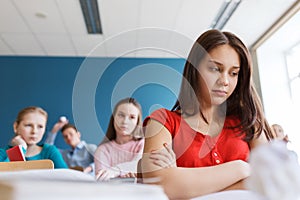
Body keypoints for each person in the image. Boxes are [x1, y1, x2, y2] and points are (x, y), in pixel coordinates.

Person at [140, 29, 274, 199]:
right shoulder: (163, 121)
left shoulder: (248, 121)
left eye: (233, 73)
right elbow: (159, 185)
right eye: (215, 69)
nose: (224, 81)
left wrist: (184, 186)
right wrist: (242, 168)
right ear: (194, 69)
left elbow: (271, 182)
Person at [94, 97, 144, 181]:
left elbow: (139, 165)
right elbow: (102, 178)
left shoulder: (143, 144)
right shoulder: (102, 150)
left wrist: (116, 170)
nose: (125, 121)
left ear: (137, 122)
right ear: (113, 118)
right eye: (121, 115)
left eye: (132, 117)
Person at [0, 106, 67, 168]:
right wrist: (19, 150)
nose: (34, 131)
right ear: (16, 127)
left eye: (40, 126)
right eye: (28, 125)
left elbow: (67, 177)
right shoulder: (3, 153)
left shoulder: (50, 151)